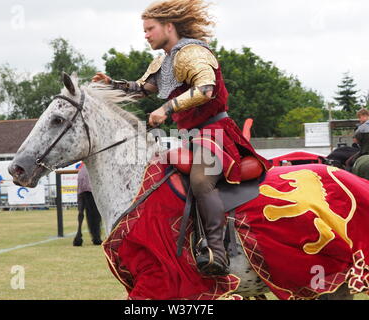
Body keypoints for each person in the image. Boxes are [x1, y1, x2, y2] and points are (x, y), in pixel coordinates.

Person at [93, 0, 272, 276]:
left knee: (202, 180)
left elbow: (206, 89)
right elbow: (143, 88)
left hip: (215, 135)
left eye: (150, 29)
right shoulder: (165, 60)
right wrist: (112, 84)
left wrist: (166, 108)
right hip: (190, 136)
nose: (146, 34)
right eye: (144, 30)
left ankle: (217, 251)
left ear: (168, 26)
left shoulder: (192, 53)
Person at [73, 163, 102, 246]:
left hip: (81, 178)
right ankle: (96, 236)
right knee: (95, 212)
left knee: (81, 211)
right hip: (90, 179)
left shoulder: (82, 166)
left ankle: (78, 235)